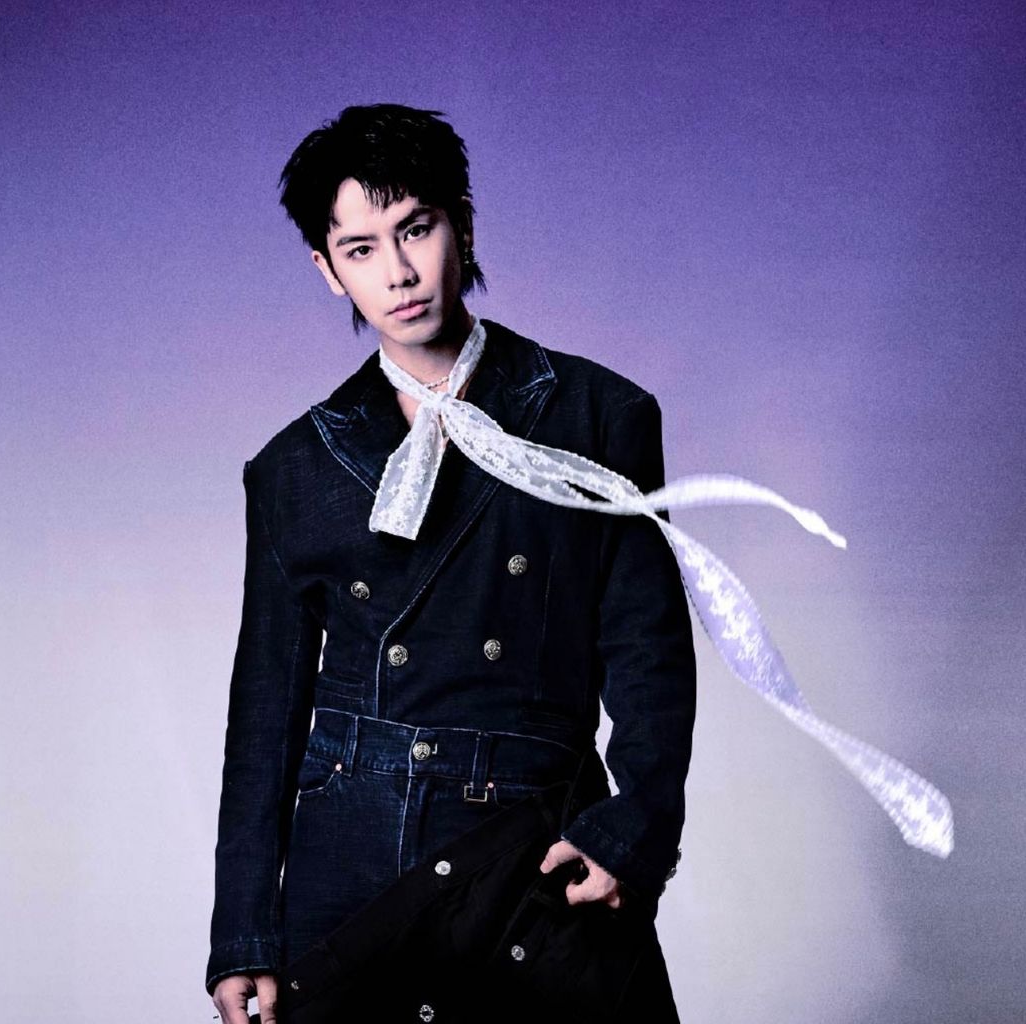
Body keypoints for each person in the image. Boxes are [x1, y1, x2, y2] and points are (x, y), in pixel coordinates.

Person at [207, 103, 696, 1023]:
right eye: (359, 249)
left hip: (534, 845)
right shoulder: (294, 468)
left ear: (461, 224)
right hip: (353, 860)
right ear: (327, 270)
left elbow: (649, 647)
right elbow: (266, 712)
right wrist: (243, 932)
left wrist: (633, 830)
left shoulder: (597, 415)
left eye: (415, 229)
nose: (396, 273)